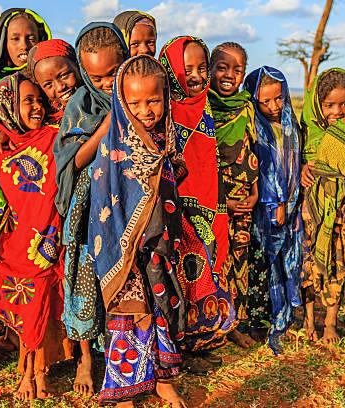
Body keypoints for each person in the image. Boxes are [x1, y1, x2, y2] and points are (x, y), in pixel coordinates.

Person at [89, 54, 188, 408]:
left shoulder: (166, 139)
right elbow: (106, 204)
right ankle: (124, 389)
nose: (146, 110)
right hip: (125, 252)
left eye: (154, 100)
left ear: (166, 98)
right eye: (135, 102)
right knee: (129, 315)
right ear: (121, 101)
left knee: (160, 309)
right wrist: (129, 244)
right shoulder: (113, 146)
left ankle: (162, 380)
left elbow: (172, 183)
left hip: (157, 248)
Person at [0, 73, 72, 400]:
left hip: (49, 238)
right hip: (18, 241)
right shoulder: (1, 148)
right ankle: (29, 367)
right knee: (29, 303)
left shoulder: (54, 135)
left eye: (39, 100)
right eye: (27, 101)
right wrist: (1, 135)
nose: (38, 106)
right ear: (7, 108)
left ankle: (36, 369)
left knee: (42, 296)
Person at [54, 22, 128, 396]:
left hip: (127, 207)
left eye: (113, 72)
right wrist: (104, 130)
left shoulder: (137, 94)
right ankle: (85, 358)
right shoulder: (79, 105)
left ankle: (122, 355)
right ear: (85, 72)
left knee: (125, 282)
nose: (105, 82)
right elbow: (73, 160)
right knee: (84, 283)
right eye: (96, 76)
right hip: (87, 210)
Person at [159, 36, 234, 374]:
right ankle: (177, 347)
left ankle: (201, 342)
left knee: (205, 271)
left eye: (202, 68)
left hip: (208, 202)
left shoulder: (205, 104)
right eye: (186, 68)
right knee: (182, 273)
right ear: (171, 69)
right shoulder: (164, 107)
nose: (196, 75)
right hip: (177, 204)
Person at [300, 68, 345, 343]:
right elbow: (293, 160)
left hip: (344, 210)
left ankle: (330, 320)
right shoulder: (307, 129)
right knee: (308, 264)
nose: (338, 111)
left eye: (344, 103)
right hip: (311, 208)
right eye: (329, 105)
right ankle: (308, 319)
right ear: (318, 104)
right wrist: (303, 169)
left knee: (339, 262)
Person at [243, 66, 303, 352]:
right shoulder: (256, 129)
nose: (273, 106)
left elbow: (295, 163)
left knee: (288, 260)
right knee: (267, 263)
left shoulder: (293, 127)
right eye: (264, 101)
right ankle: (267, 318)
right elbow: (265, 170)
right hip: (267, 208)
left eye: (278, 98)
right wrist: (277, 202)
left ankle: (285, 314)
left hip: (291, 207)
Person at [207, 42, 259, 349]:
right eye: (222, 67)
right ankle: (213, 328)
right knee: (216, 262)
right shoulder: (204, 108)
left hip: (244, 200)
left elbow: (253, 150)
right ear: (211, 70)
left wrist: (254, 193)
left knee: (239, 261)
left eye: (237, 69)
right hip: (213, 202)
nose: (229, 75)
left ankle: (234, 323)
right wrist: (219, 201)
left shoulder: (246, 107)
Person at [0, 7, 51, 83]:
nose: (24, 46)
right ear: (3, 44)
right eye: (15, 39)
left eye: (31, 39)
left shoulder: (52, 79)